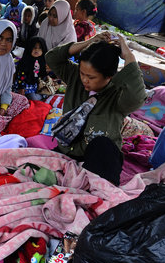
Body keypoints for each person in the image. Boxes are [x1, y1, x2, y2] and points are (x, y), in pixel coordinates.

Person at [45, 32, 146, 185]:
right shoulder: (74, 78)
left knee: (102, 145)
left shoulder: (118, 95)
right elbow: (52, 58)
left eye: (91, 77)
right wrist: (89, 42)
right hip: (70, 151)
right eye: (82, 73)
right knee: (36, 171)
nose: (84, 80)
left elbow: (137, 97)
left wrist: (129, 56)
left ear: (109, 76)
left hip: (101, 159)